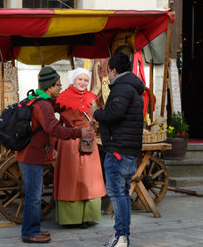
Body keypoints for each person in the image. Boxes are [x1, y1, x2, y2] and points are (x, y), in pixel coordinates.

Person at [15, 66, 94, 244]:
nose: (60, 87)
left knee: (36, 194)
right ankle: (29, 232)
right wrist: (78, 133)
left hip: (31, 155)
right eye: (57, 84)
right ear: (49, 86)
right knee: (34, 197)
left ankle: (33, 229)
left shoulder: (39, 100)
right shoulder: (43, 105)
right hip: (32, 156)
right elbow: (54, 129)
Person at [88, 53, 144, 247]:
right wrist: (101, 123)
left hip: (119, 150)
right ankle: (122, 236)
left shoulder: (121, 88)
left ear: (113, 70)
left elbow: (114, 114)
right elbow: (120, 118)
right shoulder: (133, 88)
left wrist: (95, 112)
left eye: (108, 71)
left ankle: (121, 237)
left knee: (118, 195)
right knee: (122, 194)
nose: (107, 75)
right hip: (128, 149)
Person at [53, 68, 106, 227]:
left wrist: (95, 124)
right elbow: (53, 121)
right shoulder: (61, 98)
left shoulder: (91, 97)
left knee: (89, 179)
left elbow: (94, 117)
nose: (83, 83)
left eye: (85, 80)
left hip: (89, 142)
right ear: (73, 80)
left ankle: (88, 216)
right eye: (80, 80)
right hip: (70, 142)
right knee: (72, 178)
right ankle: (72, 218)